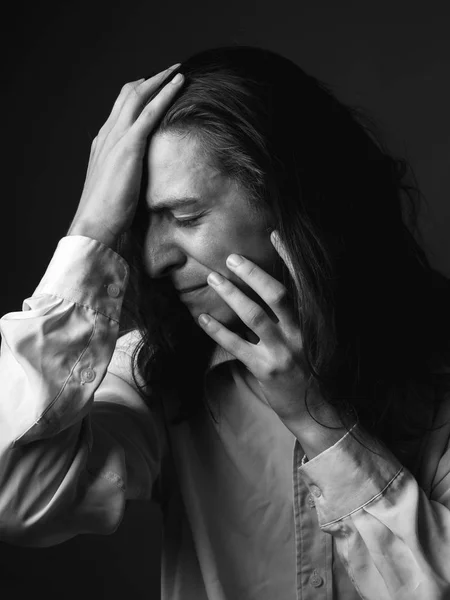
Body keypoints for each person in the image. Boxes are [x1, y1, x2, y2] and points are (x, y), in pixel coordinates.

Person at [0, 45, 449, 600]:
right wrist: (90, 229)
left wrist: (322, 426)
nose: (152, 259)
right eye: (138, 226)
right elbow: (14, 499)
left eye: (185, 217)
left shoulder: (439, 360)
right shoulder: (151, 366)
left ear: (290, 198)